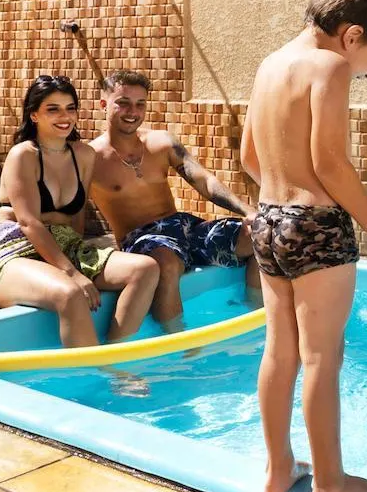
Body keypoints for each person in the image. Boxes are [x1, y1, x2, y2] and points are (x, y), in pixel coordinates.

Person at [241, 0, 367, 492]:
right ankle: (330, 486)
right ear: (353, 35)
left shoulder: (270, 65)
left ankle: (277, 470)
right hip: (314, 228)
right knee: (321, 358)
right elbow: (329, 163)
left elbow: (249, 156)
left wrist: (281, 193)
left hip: (267, 219)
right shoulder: (331, 65)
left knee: (280, 351)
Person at [0, 75, 159, 348]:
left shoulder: (84, 155)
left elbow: (76, 221)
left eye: (70, 108)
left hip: (64, 244)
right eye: (53, 109)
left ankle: (116, 354)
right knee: (71, 294)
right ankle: (93, 377)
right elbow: (28, 222)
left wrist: (77, 259)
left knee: (145, 269)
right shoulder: (23, 155)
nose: (65, 116)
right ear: (34, 115)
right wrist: (72, 273)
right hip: (15, 249)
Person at [88, 69, 259, 327]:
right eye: (122, 103)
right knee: (166, 262)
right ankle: (179, 347)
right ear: (103, 104)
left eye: (140, 104)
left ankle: (253, 320)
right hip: (141, 239)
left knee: (261, 236)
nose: (132, 111)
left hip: (182, 227)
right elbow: (67, 207)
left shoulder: (161, 143)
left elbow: (203, 180)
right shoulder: (90, 159)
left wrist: (249, 212)